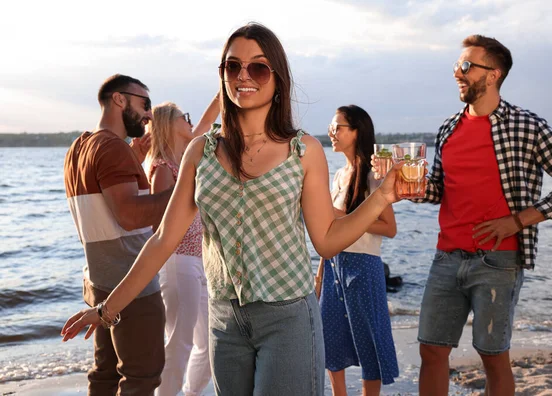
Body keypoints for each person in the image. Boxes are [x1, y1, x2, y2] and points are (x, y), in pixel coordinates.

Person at [61, 23, 406, 396]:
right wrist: (107, 309)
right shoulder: (200, 153)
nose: (243, 75)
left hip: (287, 318)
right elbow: (162, 240)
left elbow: (325, 240)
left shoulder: (304, 151)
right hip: (224, 324)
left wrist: (381, 198)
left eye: (257, 67)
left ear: (277, 78)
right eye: (232, 66)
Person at [391, 35, 552, 395]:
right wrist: (407, 187)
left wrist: (518, 220)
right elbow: (440, 189)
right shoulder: (449, 128)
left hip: (499, 262)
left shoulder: (526, 126)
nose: (458, 72)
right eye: (457, 65)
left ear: (493, 74)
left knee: (493, 357)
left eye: (466, 66)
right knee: (432, 351)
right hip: (446, 257)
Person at [63, 74, 173, 395]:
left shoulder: (79, 147)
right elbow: (129, 215)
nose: (150, 115)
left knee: (105, 376)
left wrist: (134, 160)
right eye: (145, 104)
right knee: (142, 378)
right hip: (132, 287)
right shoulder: (113, 147)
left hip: (99, 282)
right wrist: (189, 191)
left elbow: (101, 207)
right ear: (119, 100)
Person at [319, 105, 399, 396]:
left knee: (369, 343)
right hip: (333, 264)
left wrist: (348, 218)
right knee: (330, 338)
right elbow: (328, 230)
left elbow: (389, 228)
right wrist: (320, 272)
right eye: (331, 127)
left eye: (338, 127)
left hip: (364, 265)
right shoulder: (340, 174)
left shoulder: (374, 175)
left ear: (357, 132)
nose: (332, 132)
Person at [146, 100, 218, 396]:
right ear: (168, 125)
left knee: (212, 341)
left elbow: (208, 119)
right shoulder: (163, 168)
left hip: (200, 261)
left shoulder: (187, 158)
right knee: (179, 342)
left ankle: (189, 393)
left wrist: (225, 89)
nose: (189, 121)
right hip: (176, 262)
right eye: (183, 117)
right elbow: (158, 226)